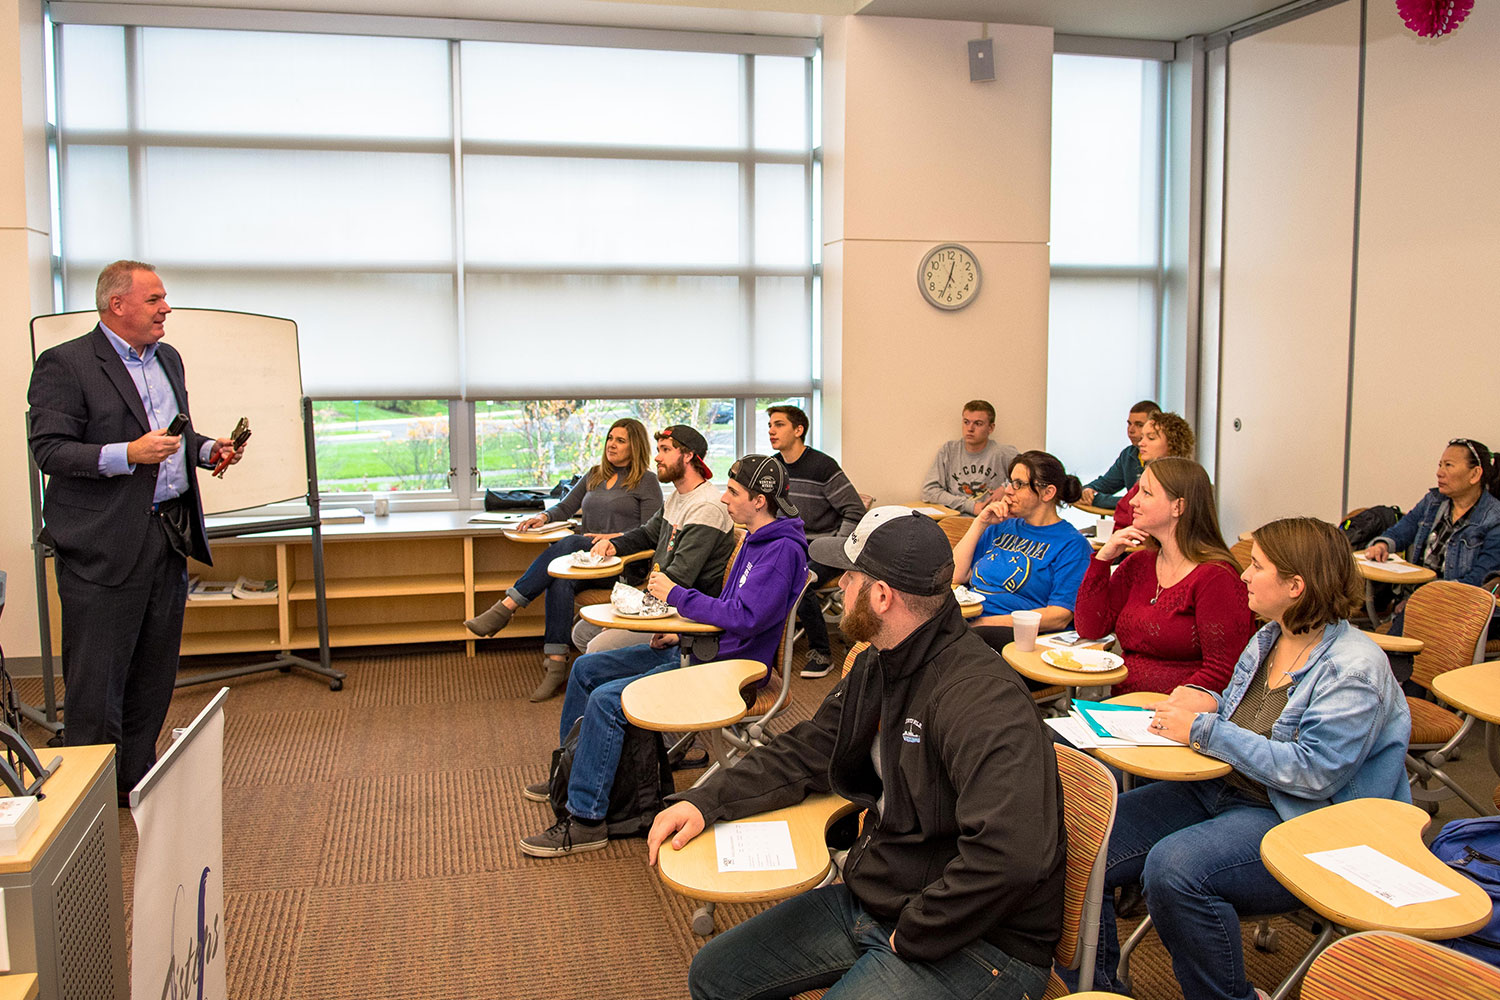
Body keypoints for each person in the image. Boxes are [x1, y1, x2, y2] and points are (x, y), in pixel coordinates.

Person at [647, 506, 1065, 1000]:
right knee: (714, 976)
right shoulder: (880, 661)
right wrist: (705, 800)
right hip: (886, 898)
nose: (840, 585)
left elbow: (1009, 858)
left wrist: (913, 933)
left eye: (850, 577)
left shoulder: (980, 697)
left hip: (981, 941)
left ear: (882, 596)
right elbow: (809, 748)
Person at [1077, 517, 1412, 1000]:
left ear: (1296, 586)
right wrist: (1198, 699)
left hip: (1300, 817)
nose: (1243, 576)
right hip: (1230, 787)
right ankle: (1098, 985)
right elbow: (1240, 714)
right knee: (1087, 834)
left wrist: (1206, 729)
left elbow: (1312, 773)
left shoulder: (1353, 670)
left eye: (1257, 567)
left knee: (1175, 869)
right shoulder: (1269, 637)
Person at [26, 260, 247, 802]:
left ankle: (135, 782)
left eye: (164, 298)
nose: (165, 308)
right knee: (97, 681)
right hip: (102, 543)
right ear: (116, 305)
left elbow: (176, 433)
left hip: (166, 533)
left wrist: (205, 449)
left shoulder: (167, 358)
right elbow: (49, 450)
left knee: (153, 672)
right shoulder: (66, 364)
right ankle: (87, 803)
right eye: (154, 300)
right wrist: (126, 453)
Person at [519, 454, 808, 857]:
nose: (724, 499)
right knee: (586, 668)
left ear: (760, 500)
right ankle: (567, 776)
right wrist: (679, 630)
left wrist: (678, 597)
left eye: (734, 492)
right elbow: (730, 607)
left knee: (608, 700)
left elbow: (746, 617)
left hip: (730, 671)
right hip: (706, 650)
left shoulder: (780, 552)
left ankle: (586, 820)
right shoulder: (755, 538)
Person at [464, 418, 663, 701]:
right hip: (587, 562)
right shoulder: (595, 474)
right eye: (610, 439)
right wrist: (542, 517)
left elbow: (650, 531)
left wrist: (610, 538)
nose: (612, 445)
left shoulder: (647, 481)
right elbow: (566, 506)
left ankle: (507, 606)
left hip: (622, 564)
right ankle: (556, 664)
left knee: (569, 541)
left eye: (621, 441)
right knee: (559, 580)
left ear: (636, 446)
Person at [1077, 457, 1255, 697]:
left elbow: (1223, 671)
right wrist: (1102, 560)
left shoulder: (1216, 578)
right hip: (1122, 707)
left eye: (1146, 493)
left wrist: (1160, 707)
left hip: (1178, 715)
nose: (1133, 501)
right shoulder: (1139, 563)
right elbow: (1090, 628)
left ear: (1178, 507)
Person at [569, 425, 737, 656]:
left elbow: (679, 577)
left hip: (682, 613)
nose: (657, 457)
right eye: (659, 449)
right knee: (582, 632)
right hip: (660, 602)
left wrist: (631, 616)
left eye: (666, 450)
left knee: (595, 644)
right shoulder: (678, 497)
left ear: (688, 455)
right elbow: (648, 534)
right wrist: (614, 545)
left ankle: (644, 678)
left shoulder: (706, 507)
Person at [951, 451, 1093, 653]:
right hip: (969, 621)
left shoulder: (1072, 544)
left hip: (1016, 637)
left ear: (1047, 493)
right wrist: (980, 523)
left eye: (1018, 484)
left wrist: (983, 624)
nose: (1008, 491)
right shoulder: (1001, 526)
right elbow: (957, 575)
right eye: (1009, 482)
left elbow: (1059, 616)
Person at [767, 404, 867, 679]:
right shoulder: (773, 467)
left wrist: (837, 547)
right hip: (792, 545)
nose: (771, 431)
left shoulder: (823, 467)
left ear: (799, 430)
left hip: (825, 549)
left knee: (799, 580)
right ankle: (765, 647)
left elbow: (855, 510)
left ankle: (822, 652)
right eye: (770, 425)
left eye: (779, 425)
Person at [1364, 437, 1500, 591]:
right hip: (1417, 596)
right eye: (1440, 465)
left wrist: (1432, 595)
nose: (1439, 473)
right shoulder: (1433, 501)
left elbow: (1482, 577)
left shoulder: (1495, 518)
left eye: (1448, 465)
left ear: (1475, 474)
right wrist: (1382, 545)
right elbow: (1401, 531)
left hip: (1458, 603)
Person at [919, 399, 1018, 515]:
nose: (970, 429)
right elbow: (929, 491)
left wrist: (1006, 488)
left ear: (990, 428)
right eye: (966, 422)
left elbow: (1031, 479)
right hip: (955, 521)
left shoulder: (1003, 453)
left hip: (993, 522)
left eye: (978, 424)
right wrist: (970, 506)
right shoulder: (949, 451)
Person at [1112, 409, 1195, 532]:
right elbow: (1121, 517)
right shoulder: (1144, 480)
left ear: (1173, 444)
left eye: (1151, 438)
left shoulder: (1188, 482)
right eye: (1142, 437)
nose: (1141, 443)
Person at [1079, 399, 1158, 508]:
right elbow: (1105, 484)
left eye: (1139, 425)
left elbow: (1137, 502)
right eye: (1129, 424)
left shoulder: (1165, 460)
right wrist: (1087, 491)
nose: (1131, 430)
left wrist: (1096, 500)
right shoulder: (1129, 454)